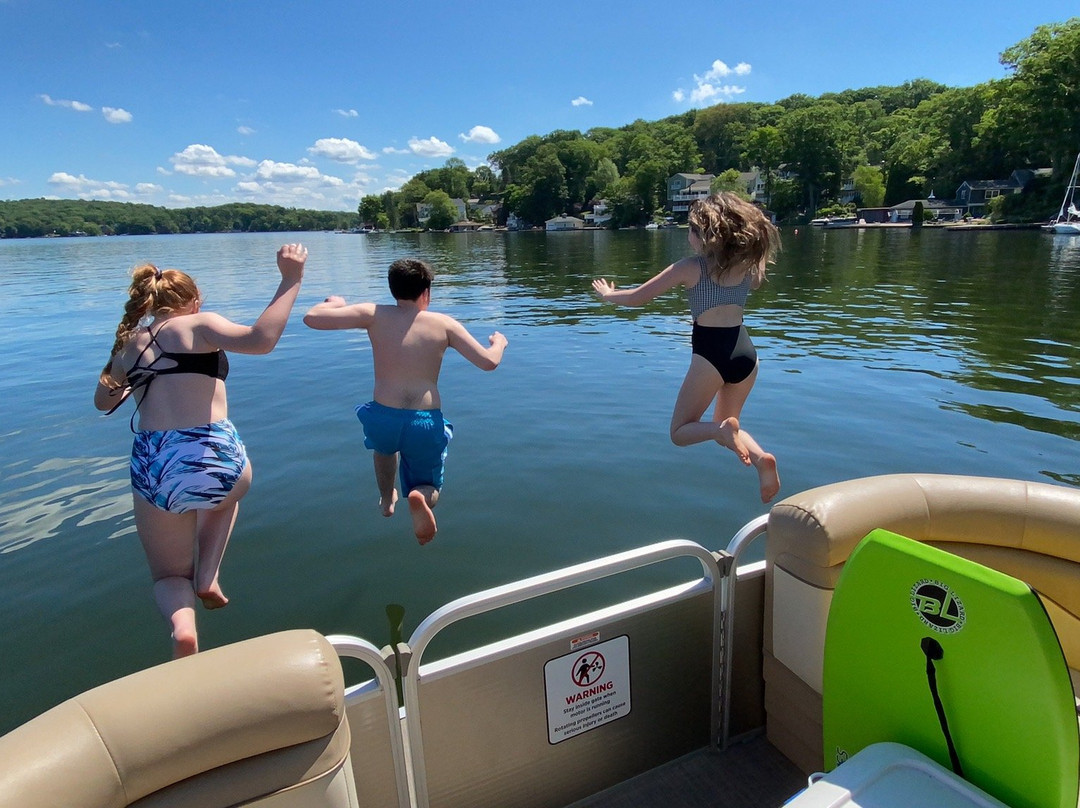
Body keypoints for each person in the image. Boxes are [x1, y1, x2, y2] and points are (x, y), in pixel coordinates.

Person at [94, 244, 307, 657]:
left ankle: (182, 628)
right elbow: (261, 341)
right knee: (225, 496)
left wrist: (134, 372)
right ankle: (209, 575)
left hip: (157, 464)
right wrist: (290, 279)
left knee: (169, 576)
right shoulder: (199, 324)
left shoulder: (128, 345)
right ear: (193, 300)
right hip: (216, 459)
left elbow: (103, 404)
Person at [592, 193, 781, 503]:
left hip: (711, 355)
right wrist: (757, 250)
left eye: (691, 229)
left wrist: (608, 296)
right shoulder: (747, 266)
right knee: (727, 428)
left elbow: (639, 297)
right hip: (746, 353)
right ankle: (762, 460)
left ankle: (722, 434)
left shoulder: (690, 267)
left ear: (704, 235)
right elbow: (758, 281)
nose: (688, 234)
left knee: (681, 432)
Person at [303, 258, 507, 544]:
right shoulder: (444, 324)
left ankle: (387, 499)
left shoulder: (373, 314)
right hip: (424, 420)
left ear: (392, 289)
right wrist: (499, 343)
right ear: (426, 292)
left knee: (384, 451)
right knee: (429, 483)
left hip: (383, 416)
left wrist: (334, 303)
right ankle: (419, 497)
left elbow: (311, 317)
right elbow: (488, 363)